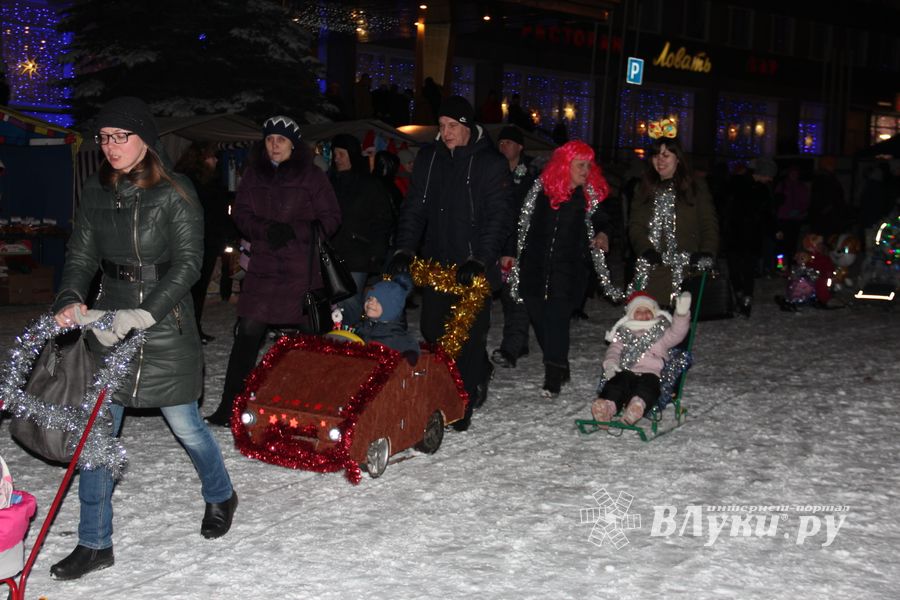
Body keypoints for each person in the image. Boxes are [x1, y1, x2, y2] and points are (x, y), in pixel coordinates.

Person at [49, 96, 237, 580]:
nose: (110, 147)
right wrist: (71, 296)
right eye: (104, 138)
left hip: (165, 325)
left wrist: (144, 312)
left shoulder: (176, 190)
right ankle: (94, 543)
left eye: (120, 137)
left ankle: (220, 494)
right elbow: (81, 252)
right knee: (96, 436)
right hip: (108, 324)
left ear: (145, 141)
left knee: (187, 426)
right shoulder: (96, 189)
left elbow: (189, 264)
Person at [385, 95, 512, 430]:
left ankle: (463, 399)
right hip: (438, 264)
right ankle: (475, 371)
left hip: (473, 268)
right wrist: (404, 248)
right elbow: (415, 206)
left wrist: (480, 259)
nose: (446, 132)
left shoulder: (490, 163)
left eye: (452, 126)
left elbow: (498, 218)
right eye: (441, 126)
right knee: (432, 329)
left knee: (469, 337)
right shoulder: (430, 159)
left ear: (468, 128)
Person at [206, 115, 341, 427]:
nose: (274, 145)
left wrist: (295, 230)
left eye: (281, 140)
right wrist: (265, 230)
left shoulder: (313, 177)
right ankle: (230, 406)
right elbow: (241, 214)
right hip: (265, 269)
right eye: (269, 139)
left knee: (310, 339)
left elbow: (332, 218)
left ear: (293, 145)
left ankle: (315, 405)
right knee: (248, 332)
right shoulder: (254, 175)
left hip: (301, 271)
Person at [509, 140, 611, 398]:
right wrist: (510, 252)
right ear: (565, 166)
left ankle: (553, 375)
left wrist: (602, 233)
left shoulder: (587, 196)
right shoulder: (540, 190)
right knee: (539, 318)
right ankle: (559, 362)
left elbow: (602, 218)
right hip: (535, 267)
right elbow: (518, 220)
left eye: (588, 166)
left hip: (568, 270)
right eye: (580, 165)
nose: (585, 171)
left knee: (556, 320)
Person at [628, 128, 719, 308]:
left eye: (666, 155)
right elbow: (635, 224)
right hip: (653, 270)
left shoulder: (695, 187)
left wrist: (707, 252)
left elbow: (708, 223)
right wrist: (645, 250)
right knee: (651, 328)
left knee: (680, 328)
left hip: (687, 270)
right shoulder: (644, 188)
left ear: (678, 159)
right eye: (656, 156)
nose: (660, 160)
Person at [591, 291, 691, 425]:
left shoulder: (661, 333)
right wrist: (610, 364)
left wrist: (681, 314)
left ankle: (636, 407)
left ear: (655, 313)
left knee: (648, 388)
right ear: (631, 314)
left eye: (648, 311)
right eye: (639, 311)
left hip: (651, 372)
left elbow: (677, 333)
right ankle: (607, 407)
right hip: (626, 371)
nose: (644, 314)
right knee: (616, 384)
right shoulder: (624, 333)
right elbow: (613, 350)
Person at [328, 133, 395, 326]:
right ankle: (339, 340)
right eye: (334, 153)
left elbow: (383, 219)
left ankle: (353, 339)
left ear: (352, 155)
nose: (336, 158)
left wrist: (377, 251)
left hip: (358, 251)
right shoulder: (329, 182)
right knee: (335, 303)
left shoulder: (369, 185)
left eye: (341, 153)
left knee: (349, 300)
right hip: (332, 252)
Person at [174, 141, 236, 342]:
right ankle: (187, 331)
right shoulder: (196, 182)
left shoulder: (193, 180)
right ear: (202, 159)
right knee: (192, 290)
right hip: (197, 242)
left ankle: (191, 329)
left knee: (194, 290)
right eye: (212, 156)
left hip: (202, 242)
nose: (216, 160)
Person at [491, 125, 536, 369]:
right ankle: (520, 342)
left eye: (509, 142)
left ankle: (512, 347)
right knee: (509, 297)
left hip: (522, 245)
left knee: (515, 294)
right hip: (497, 243)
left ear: (520, 147)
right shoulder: (493, 171)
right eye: (501, 142)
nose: (504, 146)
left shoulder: (531, 174)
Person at [722, 157, 778, 316]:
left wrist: (773, 229)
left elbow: (768, 213)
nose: (771, 179)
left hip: (752, 236)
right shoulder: (736, 184)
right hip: (734, 234)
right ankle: (739, 294)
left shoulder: (763, 190)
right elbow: (726, 209)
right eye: (769, 175)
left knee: (748, 269)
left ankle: (746, 298)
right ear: (762, 173)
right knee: (735, 268)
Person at [355, 273, 420, 364]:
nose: (370, 303)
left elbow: (411, 346)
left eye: (378, 300)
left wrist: (410, 356)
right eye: (369, 298)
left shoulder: (396, 336)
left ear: (392, 307)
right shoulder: (362, 327)